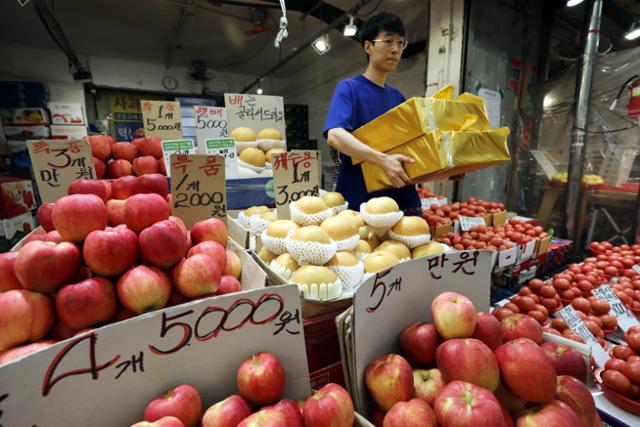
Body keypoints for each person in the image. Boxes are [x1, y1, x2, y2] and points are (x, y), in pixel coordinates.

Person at [324, 11, 420, 215]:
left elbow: (414, 149)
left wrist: (447, 167)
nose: (395, 49)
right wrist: (383, 160)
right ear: (368, 46)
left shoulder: (398, 98)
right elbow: (335, 136)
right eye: (388, 41)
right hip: (358, 196)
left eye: (401, 43)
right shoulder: (349, 88)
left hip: (397, 197)